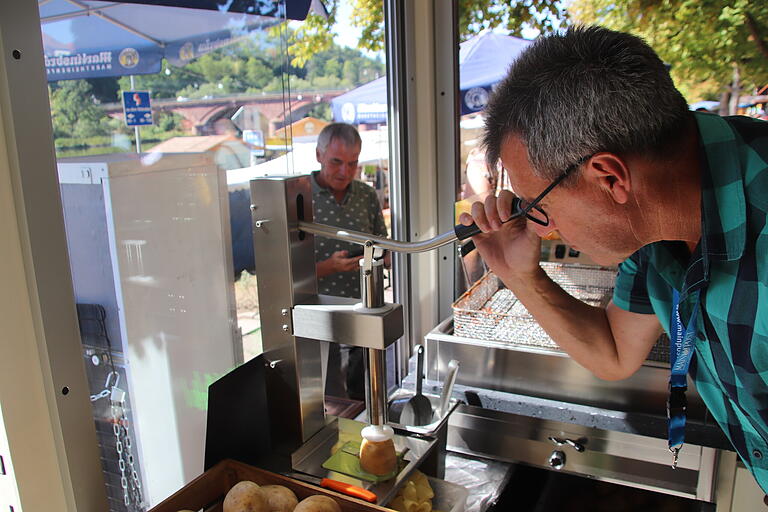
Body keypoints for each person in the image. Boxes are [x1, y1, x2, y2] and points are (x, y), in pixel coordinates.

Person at [459, 25, 768, 497]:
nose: (539, 227)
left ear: (608, 177)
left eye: (537, 204)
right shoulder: (655, 216)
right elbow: (615, 352)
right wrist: (519, 276)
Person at [311, 122, 389, 401]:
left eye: (352, 163)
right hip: (317, 316)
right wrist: (327, 267)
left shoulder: (366, 195)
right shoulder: (298, 196)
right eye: (336, 162)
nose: (345, 172)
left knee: (360, 393)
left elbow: (384, 246)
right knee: (326, 397)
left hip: (361, 309)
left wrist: (376, 259)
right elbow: (280, 268)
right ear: (318, 155)